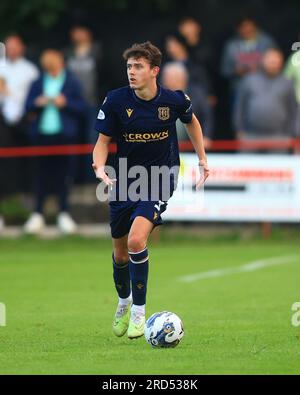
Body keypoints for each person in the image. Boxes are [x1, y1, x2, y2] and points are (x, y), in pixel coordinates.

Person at [92, 41, 209, 339]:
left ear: (154, 71)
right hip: (124, 179)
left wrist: (202, 158)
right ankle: (123, 302)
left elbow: (192, 122)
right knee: (119, 254)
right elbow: (103, 143)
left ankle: (140, 314)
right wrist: (99, 168)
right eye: (129, 66)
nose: (132, 72)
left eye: (138, 67)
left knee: (136, 240)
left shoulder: (174, 100)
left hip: (159, 177)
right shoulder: (116, 101)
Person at [24, 49, 86, 234]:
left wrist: (64, 103)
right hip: (42, 136)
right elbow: (27, 106)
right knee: (41, 176)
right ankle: (38, 214)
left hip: (65, 137)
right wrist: (39, 102)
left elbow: (82, 107)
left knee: (64, 176)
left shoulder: (71, 82)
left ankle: (63, 213)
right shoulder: (38, 82)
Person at [234, 48, 298, 150]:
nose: (273, 64)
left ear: (281, 63)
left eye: (276, 62)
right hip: (251, 136)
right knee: (248, 166)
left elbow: (293, 111)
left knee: (279, 166)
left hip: (279, 137)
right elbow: (239, 107)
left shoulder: (287, 83)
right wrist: (239, 130)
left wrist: (292, 134)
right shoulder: (249, 80)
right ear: (263, 61)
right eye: (271, 61)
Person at [161, 61, 213, 148]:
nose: (165, 81)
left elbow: (207, 117)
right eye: (165, 77)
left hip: (192, 147)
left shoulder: (197, 94)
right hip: (166, 147)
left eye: (169, 77)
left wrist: (206, 136)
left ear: (182, 78)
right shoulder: (159, 95)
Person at [221, 16, 276, 97]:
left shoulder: (267, 43)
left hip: (264, 89)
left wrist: (260, 68)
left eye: (250, 27)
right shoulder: (232, 46)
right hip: (239, 89)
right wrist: (236, 71)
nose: (247, 30)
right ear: (238, 29)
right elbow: (224, 70)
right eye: (243, 27)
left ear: (255, 27)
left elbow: (277, 66)